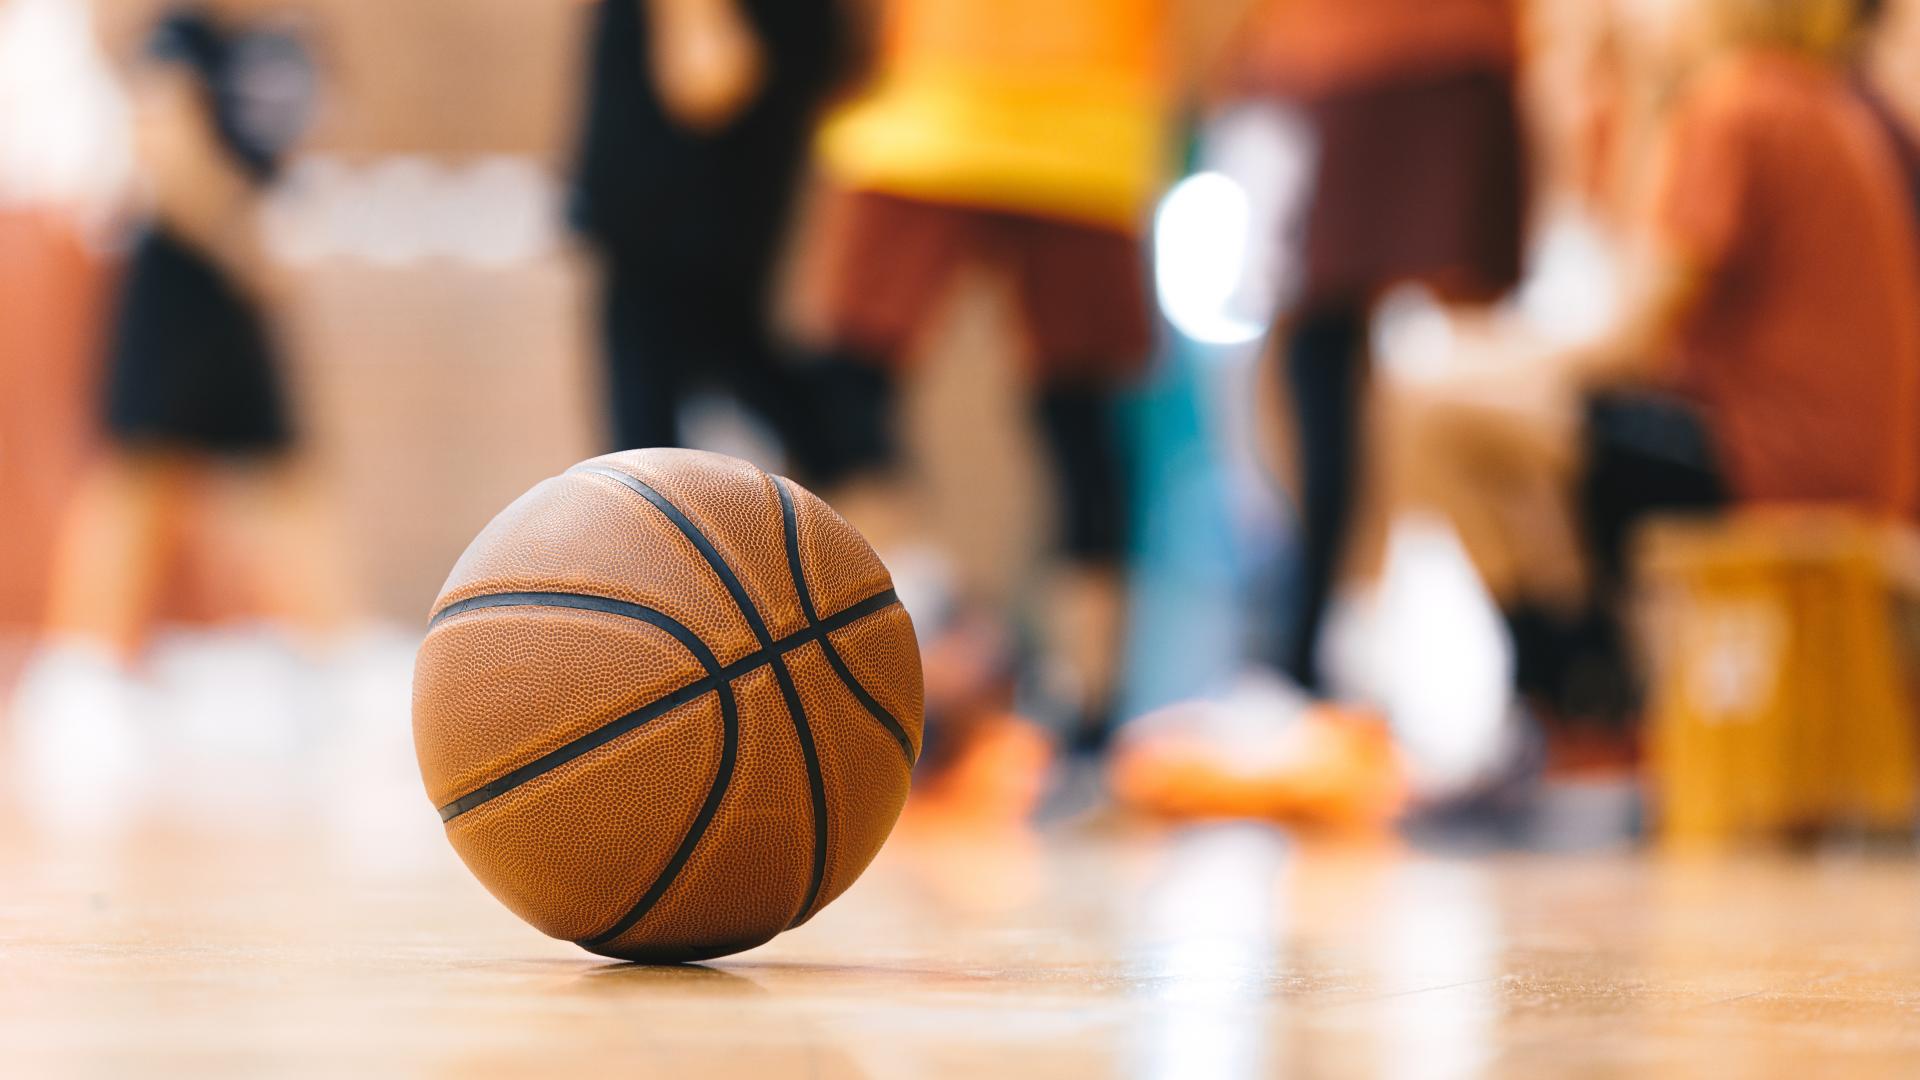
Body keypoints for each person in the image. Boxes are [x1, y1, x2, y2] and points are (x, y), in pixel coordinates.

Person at [1400, 0, 1920, 727]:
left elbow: (1627, 340)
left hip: (1770, 465)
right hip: (1847, 466)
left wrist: (1476, 371)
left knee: (1438, 422)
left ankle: (1579, 699)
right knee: (1520, 434)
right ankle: (1582, 691)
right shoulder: (1816, 98)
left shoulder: (1736, 103)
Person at [795, 0, 1180, 772]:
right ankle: (928, 611)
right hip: (927, 103)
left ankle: (1090, 718)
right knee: (842, 388)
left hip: (1086, 114)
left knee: (1081, 421)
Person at [568, 0, 857, 481]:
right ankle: (865, 489)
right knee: (708, 336)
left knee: (664, 345)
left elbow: (707, 80)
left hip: (698, 129)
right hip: (712, 102)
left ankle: (865, 489)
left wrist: (696, 25)